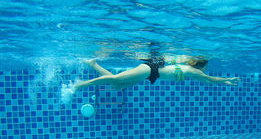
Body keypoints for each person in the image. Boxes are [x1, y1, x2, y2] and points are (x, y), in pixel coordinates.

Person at [72, 55, 240, 92]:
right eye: (206, 67)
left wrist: (225, 82)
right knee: (116, 79)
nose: (205, 70)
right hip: (151, 69)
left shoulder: (192, 72)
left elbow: (209, 81)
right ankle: (80, 85)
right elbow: (209, 78)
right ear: (201, 65)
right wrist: (227, 79)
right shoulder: (190, 70)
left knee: (117, 85)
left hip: (152, 74)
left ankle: (94, 64)